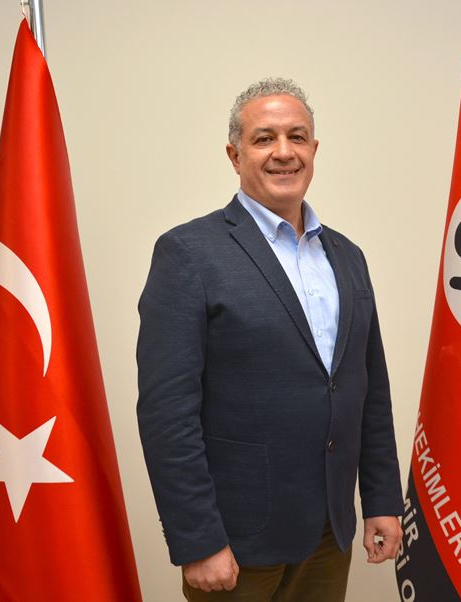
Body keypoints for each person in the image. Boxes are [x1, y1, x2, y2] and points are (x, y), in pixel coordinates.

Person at [136, 77, 403, 601]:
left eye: (297, 137)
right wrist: (198, 539)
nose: (284, 152)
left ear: (314, 149)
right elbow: (168, 414)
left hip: (330, 533)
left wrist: (380, 499)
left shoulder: (347, 257)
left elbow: (368, 392)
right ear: (234, 155)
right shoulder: (189, 253)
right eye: (264, 139)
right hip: (237, 541)